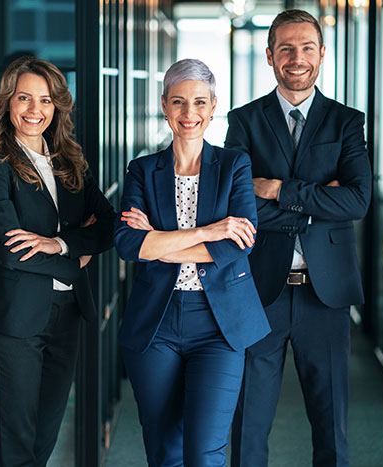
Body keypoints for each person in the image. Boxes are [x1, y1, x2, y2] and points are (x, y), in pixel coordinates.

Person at [224, 9, 372, 466]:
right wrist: (314, 207)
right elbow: (239, 207)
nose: (297, 58)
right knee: (248, 424)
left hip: (323, 297)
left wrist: (279, 190)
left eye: (307, 47)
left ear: (322, 54)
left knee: (331, 428)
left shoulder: (346, 122)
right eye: (286, 48)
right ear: (270, 56)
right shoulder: (244, 120)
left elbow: (358, 201)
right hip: (259, 291)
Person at [114, 58, 270, 466]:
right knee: (164, 451)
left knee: (204, 452)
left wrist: (159, 241)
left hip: (218, 324)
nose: (189, 113)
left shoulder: (235, 165)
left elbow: (239, 245)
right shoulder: (143, 170)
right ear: (164, 105)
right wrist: (205, 232)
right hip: (156, 323)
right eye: (179, 102)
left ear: (213, 105)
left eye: (199, 103)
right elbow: (130, 245)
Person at [0, 56, 115, 466]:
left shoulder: (69, 162)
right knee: (18, 438)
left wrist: (58, 244)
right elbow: (11, 250)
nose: (35, 110)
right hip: (17, 321)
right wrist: (76, 257)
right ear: (7, 103)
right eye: (24, 98)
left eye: (46, 100)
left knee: (47, 433)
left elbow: (108, 225)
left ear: (57, 108)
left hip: (66, 315)